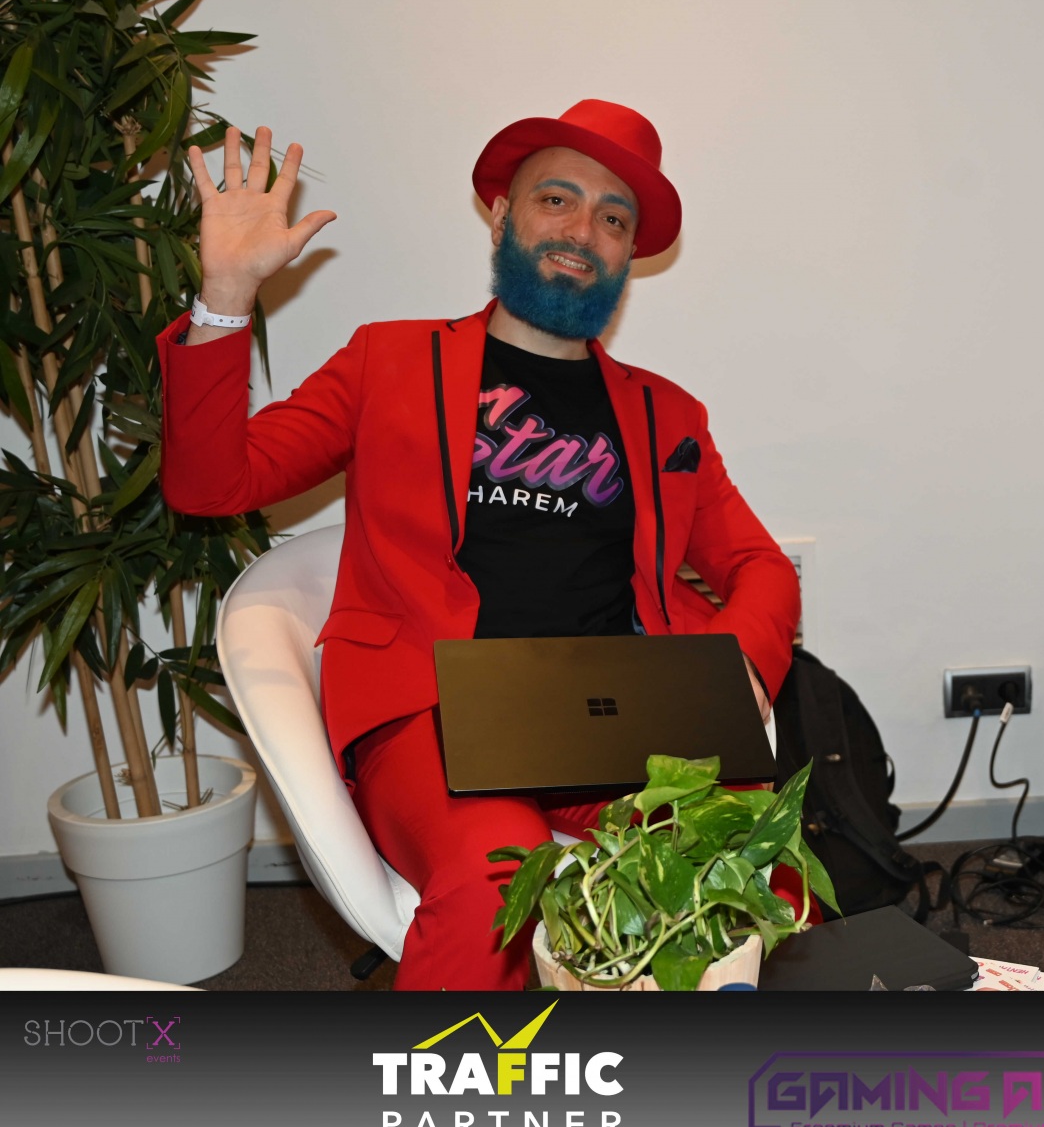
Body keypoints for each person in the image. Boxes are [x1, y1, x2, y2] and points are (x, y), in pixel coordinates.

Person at [157, 101, 800, 990]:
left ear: (627, 256)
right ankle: (455, 1078)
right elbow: (210, 486)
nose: (583, 231)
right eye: (557, 200)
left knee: (749, 859)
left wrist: (743, 670)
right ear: (502, 215)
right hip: (435, 715)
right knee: (497, 873)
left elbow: (759, 566)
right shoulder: (387, 362)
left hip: (614, 718)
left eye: (614, 219)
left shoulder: (668, 414)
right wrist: (227, 297)